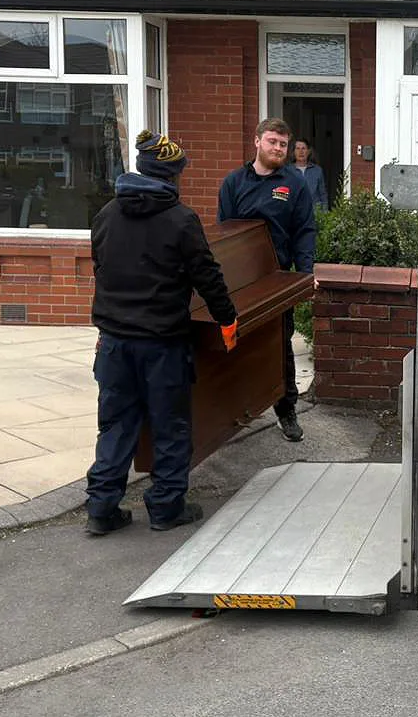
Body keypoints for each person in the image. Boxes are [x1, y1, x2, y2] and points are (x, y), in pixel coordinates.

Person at [85, 129, 238, 536]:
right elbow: (207, 276)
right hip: (162, 344)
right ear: (171, 175)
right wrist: (227, 319)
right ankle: (166, 507)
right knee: (170, 425)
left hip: (113, 343)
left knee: (115, 424)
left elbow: (100, 268)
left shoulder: (105, 215)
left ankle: (101, 508)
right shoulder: (180, 219)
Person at [218, 116, 316, 442]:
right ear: (257, 141)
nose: (278, 148)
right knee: (238, 346)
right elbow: (223, 234)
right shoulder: (233, 184)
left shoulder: (294, 185)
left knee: (279, 348)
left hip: (276, 281)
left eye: (283, 145)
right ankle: (236, 411)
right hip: (241, 283)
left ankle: (286, 410)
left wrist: (303, 277)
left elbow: (304, 232)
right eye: (273, 141)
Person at [292, 137, 330, 211]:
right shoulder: (288, 170)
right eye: (298, 148)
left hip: (314, 213)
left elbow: (323, 194)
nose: (301, 151)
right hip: (294, 214)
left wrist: (325, 214)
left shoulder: (317, 170)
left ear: (308, 151)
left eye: (303, 148)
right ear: (294, 152)